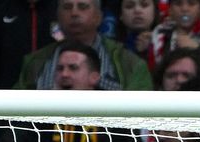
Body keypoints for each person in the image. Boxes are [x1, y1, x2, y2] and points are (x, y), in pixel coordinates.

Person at [15, 0, 152, 90]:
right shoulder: (34, 61)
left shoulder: (130, 63)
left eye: (83, 7)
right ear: (57, 16)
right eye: (67, 7)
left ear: (99, 17)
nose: (74, 13)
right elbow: (16, 115)